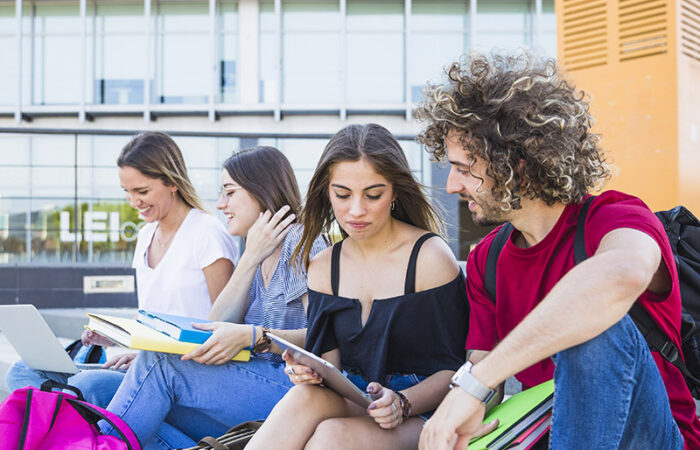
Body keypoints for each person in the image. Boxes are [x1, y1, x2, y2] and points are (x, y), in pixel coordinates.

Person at [414, 52, 700, 449]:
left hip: (650, 436)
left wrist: (474, 385)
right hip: (548, 434)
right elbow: (484, 377)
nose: (452, 187)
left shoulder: (615, 219)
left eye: (465, 169)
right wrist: (468, 406)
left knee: (593, 325)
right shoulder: (487, 261)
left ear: (517, 167)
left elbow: (622, 275)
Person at [246, 124, 469, 450]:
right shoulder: (323, 267)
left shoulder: (429, 258)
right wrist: (309, 372)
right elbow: (333, 370)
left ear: (394, 191)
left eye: (373, 195)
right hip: (362, 399)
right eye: (343, 194)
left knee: (330, 438)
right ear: (327, 191)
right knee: (303, 396)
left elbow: (458, 370)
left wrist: (402, 403)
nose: (356, 210)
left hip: (425, 411)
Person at [100, 146, 329, 450]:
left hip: (294, 391)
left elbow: (324, 337)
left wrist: (254, 336)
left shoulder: (301, 243)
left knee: (160, 364)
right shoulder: (256, 250)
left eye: (229, 193)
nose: (221, 204)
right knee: (124, 399)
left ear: (261, 191)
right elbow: (216, 322)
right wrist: (249, 259)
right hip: (255, 385)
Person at [4, 131, 237, 407]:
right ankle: (74, 417)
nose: (133, 202)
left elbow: (225, 327)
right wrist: (116, 337)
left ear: (172, 182)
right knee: (21, 372)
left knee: (85, 385)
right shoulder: (145, 236)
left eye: (142, 191)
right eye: (126, 191)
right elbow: (155, 318)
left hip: (183, 372)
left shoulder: (207, 233)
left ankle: (72, 421)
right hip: (143, 362)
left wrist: (148, 358)